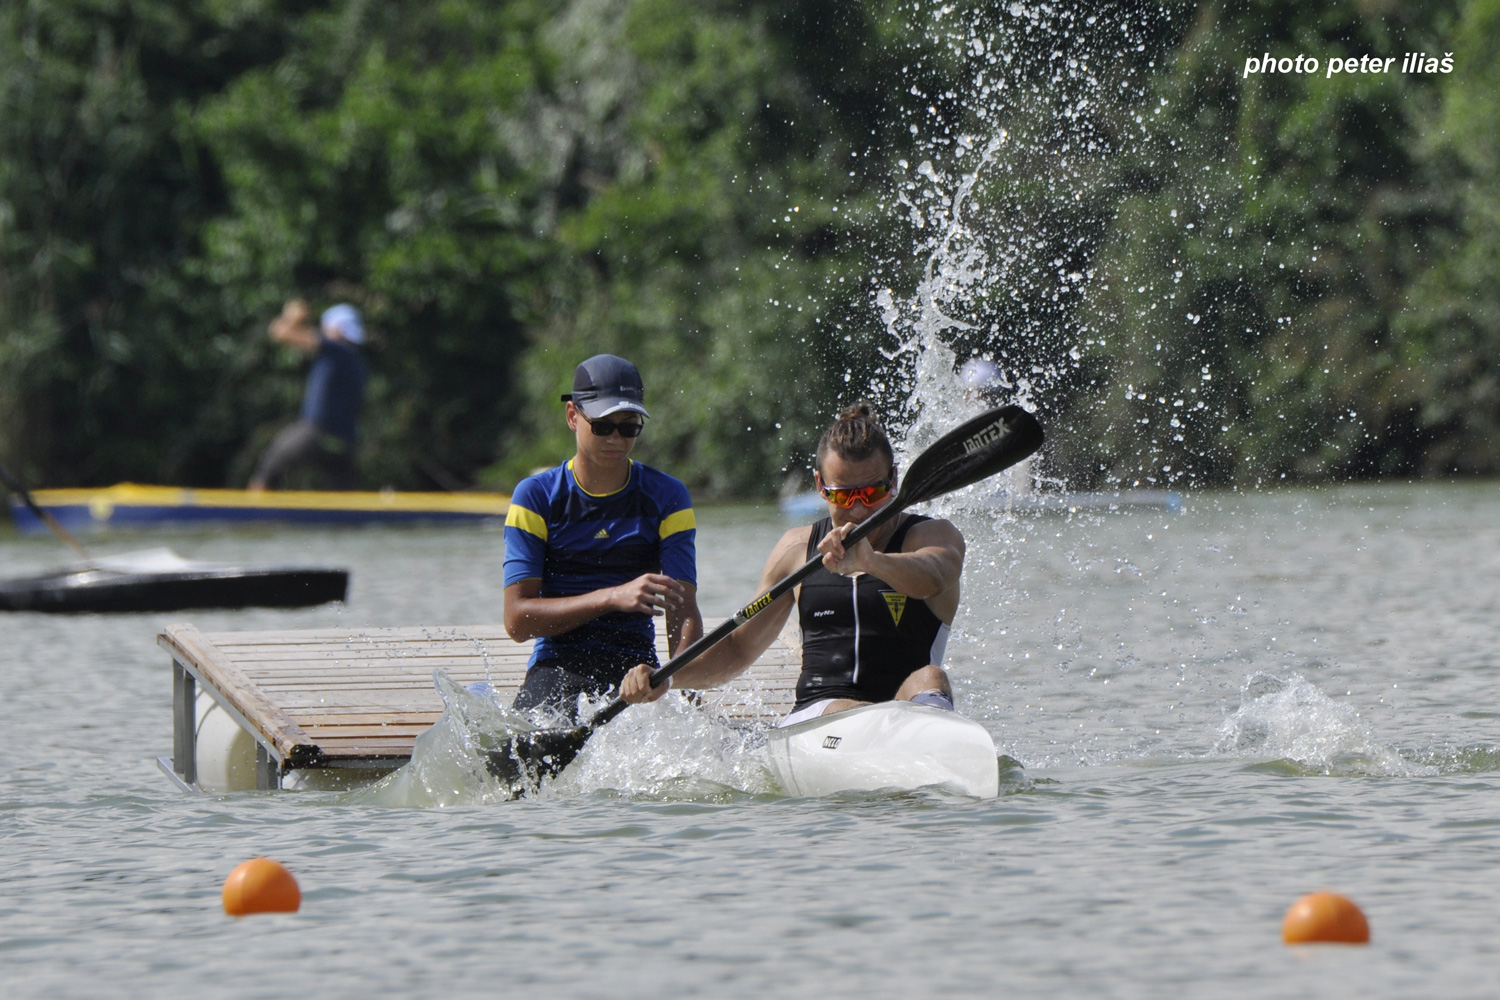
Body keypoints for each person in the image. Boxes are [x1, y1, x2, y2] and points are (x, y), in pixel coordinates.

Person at [621, 403, 964, 724]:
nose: (859, 510)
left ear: (893, 480)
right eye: (844, 496)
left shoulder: (932, 536)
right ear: (820, 486)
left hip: (904, 716)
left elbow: (935, 576)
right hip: (817, 718)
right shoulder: (797, 549)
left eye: (872, 493)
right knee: (841, 707)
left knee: (931, 677)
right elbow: (738, 650)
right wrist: (664, 678)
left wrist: (873, 562)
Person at [502, 354, 704, 721]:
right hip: (557, 662)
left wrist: (674, 681)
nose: (616, 438)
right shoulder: (534, 498)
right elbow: (517, 621)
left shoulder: (668, 497)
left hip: (636, 671)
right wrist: (612, 597)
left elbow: (683, 608)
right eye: (603, 426)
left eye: (629, 427)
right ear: (572, 417)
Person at [248, 300, 368, 491]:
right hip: (344, 441)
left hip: (315, 433)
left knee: (270, 464)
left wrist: (292, 317)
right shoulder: (356, 360)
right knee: (343, 496)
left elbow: (280, 332)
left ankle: (253, 513)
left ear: (337, 330)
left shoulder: (337, 351)